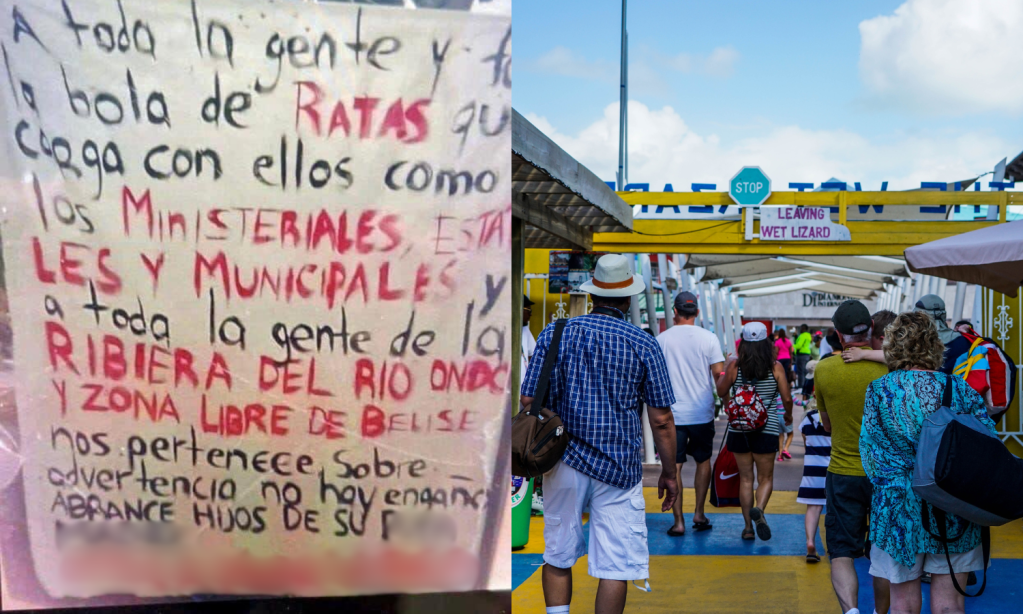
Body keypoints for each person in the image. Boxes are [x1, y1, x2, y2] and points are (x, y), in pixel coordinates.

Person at [521, 254, 678, 614]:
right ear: (628, 299)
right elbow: (662, 420)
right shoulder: (643, 343)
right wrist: (669, 473)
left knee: (558, 554)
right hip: (619, 468)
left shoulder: (555, 333)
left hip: (563, 460)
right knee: (615, 565)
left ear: (593, 295)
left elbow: (529, 398)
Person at [861, 311, 995, 614]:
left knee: (903, 605)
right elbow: (988, 443)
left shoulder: (880, 391)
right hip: (955, 507)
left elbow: (871, 457)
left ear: (892, 347)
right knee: (949, 606)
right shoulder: (959, 388)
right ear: (935, 346)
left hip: (898, 511)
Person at [814, 300, 891, 614]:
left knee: (842, 552)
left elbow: (827, 424)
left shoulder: (823, 369)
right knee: (884, 553)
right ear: (871, 329)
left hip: (843, 472)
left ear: (837, 334)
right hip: (886, 475)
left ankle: (852, 612)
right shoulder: (890, 368)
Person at [656, 291, 725, 536]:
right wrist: (727, 401)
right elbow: (719, 376)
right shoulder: (709, 338)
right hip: (701, 412)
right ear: (696, 312)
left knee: (673, 466)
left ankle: (679, 522)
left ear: (674, 312)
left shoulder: (661, 339)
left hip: (671, 414)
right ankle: (699, 512)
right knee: (702, 461)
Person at [716, 322, 792, 542]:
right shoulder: (775, 366)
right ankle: (759, 509)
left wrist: (728, 363)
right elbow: (787, 398)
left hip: (738, 430)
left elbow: (721, 391)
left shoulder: (734, 366)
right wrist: (787, 416)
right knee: (766, 477)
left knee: (746, 479)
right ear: (766, 342)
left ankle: (748, 528)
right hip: (766, 430)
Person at [797, 406, 830, 564]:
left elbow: (806, 442)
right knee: (836, 507)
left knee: (813, 507)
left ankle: (810, 542)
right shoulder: (836, 415)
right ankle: (834, 545)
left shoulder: (808, 418)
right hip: (834, 467)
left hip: (812, 468)